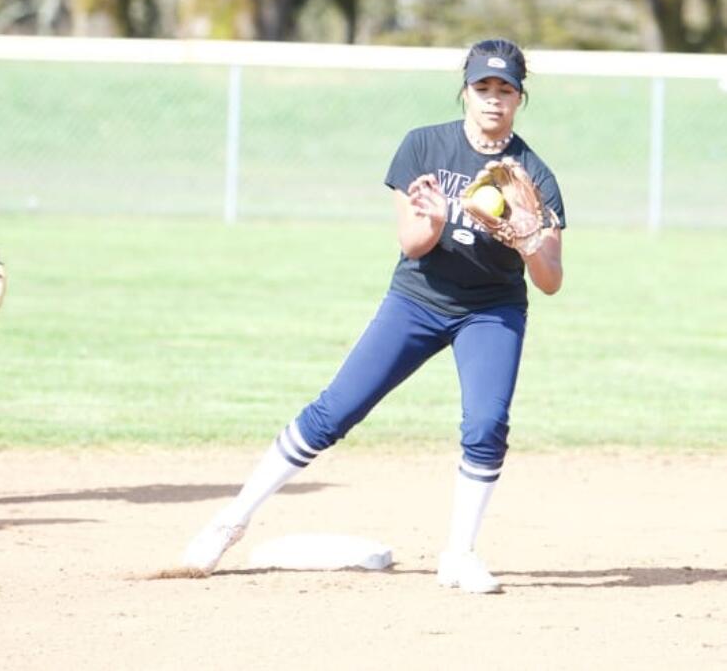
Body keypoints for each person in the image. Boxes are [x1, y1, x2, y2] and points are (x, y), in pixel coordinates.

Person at [182, 38, 565, 593]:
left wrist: (530, 237)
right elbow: (412, 245)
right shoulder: (424, 146)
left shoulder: (535, 173)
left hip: (491, 309)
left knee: (486, 426)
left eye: (505, 90)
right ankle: (229, 521)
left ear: (520, 98)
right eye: (483, 87)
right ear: (465, 91)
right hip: (418, 299)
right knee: (333, 412)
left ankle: (459, 554)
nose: (492, 100)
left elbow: (550, 282)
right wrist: (433, 223)